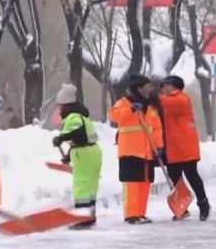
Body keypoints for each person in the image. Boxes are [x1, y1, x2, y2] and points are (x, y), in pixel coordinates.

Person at [109, 74, 163, 224]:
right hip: (130, 150)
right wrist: (131, 109)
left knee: (144, 183)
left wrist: (159, 146)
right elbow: (114, 116)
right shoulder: (125, 102)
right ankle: (131, 214)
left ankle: (140, 213)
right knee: (132, 183)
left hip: (147, 151)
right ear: (139, 88)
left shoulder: (151, 106)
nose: (150, 89)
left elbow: (157, 128)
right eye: (148, 86)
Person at [158, 75, 211, 221]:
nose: (164, 88)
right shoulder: (165, 102)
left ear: (176, 86)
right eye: (162, 86)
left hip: (185, 146)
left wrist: (154, 98)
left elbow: (171, 104)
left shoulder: (182, 99)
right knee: (175, 177)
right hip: (170, 147)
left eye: (167, 85)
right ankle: (182, 206)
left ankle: (203, 203)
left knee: (191, 175)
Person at [52, 83, 103, 230]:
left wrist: (61, 138)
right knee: (91, 186)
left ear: (65, 105)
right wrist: (69, 155)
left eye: (60, 106)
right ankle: (90, 215)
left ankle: (82, 218)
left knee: (81, 186)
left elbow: (78, 135)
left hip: (84, 154)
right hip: (92, 152)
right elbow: (82, 138)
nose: (59, 110)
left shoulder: (73, 117)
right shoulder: (81, 116)